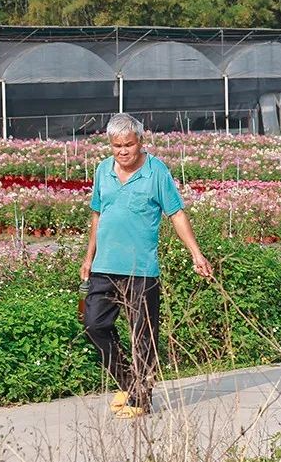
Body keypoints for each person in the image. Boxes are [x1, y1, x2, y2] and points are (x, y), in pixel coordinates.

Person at [80, 113, 213, 419]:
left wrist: (196, 253)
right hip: (105, 265)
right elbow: (97, 216)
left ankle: (141, 399)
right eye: (117, 146)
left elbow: (176, 214)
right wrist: (88, 257)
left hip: (141, 270)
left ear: (140, 141)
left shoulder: (156, 172)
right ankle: (128, 381)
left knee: (143, 333)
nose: (123, 151)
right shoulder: (103, 170)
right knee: (94, 324)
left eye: (128, 144)